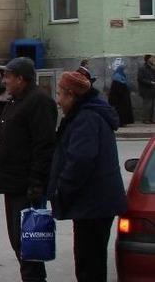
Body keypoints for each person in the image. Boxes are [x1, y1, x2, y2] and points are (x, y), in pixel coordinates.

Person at [47, 71, 128, 282]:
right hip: (95, 203)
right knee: (92, 260)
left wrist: (61, 189)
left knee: (89, 265)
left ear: (72, 95)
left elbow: (80, 160)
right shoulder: (89, 114)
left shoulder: (86, 118)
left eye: (60, 94)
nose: (58, 100)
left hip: (93, 204)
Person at [0, 57, 57, 282]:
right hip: (12, 183)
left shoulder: (38, 101)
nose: (4, 80)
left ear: (21, 78)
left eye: (8, 76)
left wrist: (37, 182)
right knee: (18, 241)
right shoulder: (16, 100)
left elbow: (43, 145)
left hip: (27, 186)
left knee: (28, 242)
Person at [138, 54, 155, 124]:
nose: (154, 59)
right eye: (152, 58)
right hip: (146, 90)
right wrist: (150, 82)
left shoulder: (153, 67)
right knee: (147, 105)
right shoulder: (142, 68)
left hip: (153, 89)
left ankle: (152, 119)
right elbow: (140, 79)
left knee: (153, 106)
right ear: (148, 59)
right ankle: (145, 119)